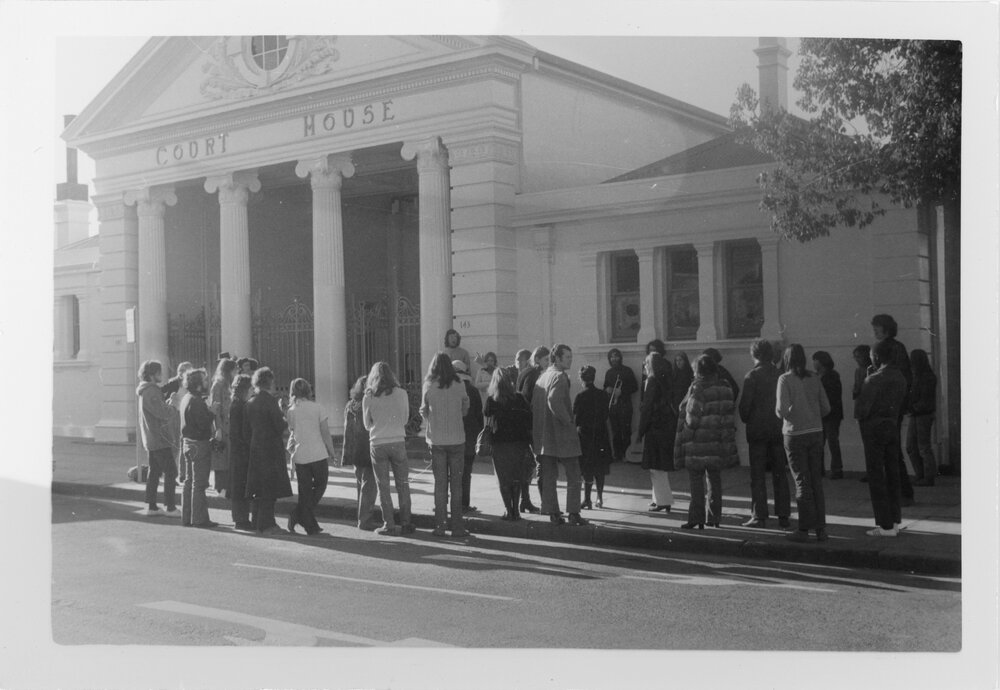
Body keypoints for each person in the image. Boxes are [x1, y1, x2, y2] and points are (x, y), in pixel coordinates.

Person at [675, 355, 738, 529]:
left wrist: (685, 436)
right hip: (717, 441)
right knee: (714, 479)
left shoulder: (698, 388)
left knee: (696, 480)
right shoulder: (725, 388)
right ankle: (714, 517)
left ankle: (696, 518)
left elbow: (692, 419)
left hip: (698, 442)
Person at [776, 344, 831, 542]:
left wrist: (791, 412)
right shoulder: (814, 378)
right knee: (816, 481)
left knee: (801, 481)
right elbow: (826, 407)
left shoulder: (784, 379)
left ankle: (804, 528)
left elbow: (781, 410)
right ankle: (821, 528)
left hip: (795, 433)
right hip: (816, 432)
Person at [856, 338, 909, 536]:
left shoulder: (874, 379)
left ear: (877, 357)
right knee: (893, 473)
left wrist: (865, 381)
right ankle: (894, 521)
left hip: (874, 428)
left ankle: (884, 524)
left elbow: (861, 409)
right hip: (892, 425)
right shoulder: (900, 377)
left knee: (876, 475)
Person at [532, 344, 588, 526]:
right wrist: (568, 420)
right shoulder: (560, 376)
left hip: (544, 435)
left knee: (549, 476)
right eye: (567, 357)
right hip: (562, 434)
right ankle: (573, 513)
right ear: (557, 358)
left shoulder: (542, 377)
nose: (571, 360)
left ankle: (553, 513)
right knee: (574, 474)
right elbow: (554, 400)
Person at [738, 339, 790, 528]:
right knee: (780, 474)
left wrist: (748, 417)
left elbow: (745, 408)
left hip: (758, 431)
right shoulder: (780, 374)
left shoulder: (752, 376)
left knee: (758, 475)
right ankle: (783, 515)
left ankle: (759, 515)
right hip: (777, 429)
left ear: (754, 354)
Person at [421, 354, 471, 537]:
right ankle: (457, 527)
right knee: (456, 485)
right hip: (457, 439)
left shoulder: (429, 385)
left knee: (440, 485)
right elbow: (465, 409)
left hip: (437, 440)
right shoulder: (459, 383)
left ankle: (440, 526)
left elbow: (423, 410)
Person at [363, 361, 415, 536]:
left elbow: (366, 424)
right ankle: (406, 523)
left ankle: (389, 524)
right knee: (403, 484)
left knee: (383, 486)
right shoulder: (401, 393)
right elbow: (405, 419)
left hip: (378, 442)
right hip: (397, 440)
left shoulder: (369, 396)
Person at [243, 367, 293, 536]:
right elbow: (279, 425)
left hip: (256, 447)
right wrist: (284, 416)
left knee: (259, 487)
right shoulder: (270, 401)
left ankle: (257, 521)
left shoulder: (250, 401)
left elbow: (246, 430)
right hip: (271, 448)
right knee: (269, 488)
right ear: (269, 382)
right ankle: (268, 524)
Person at [871, 313, 914, 505]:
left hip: (887, 408)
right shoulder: (898, 347)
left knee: (890, 452)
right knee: (892, 451)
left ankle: (901, 493)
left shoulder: (887, 348)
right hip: (896, 406)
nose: (874, 330)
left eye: (877, 327)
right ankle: (902, 492)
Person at [284, 378, 335, 536]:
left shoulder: (291, 411)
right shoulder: (318, 408)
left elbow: (292, 431)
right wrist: (332, 451)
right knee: (321, 485)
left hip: (301, 454)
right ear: (308, 390)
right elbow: (325, 433)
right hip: (318, 453)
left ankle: (305, 520)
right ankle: (301, 517)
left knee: (304, 491)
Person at [484, 368, 533, 520]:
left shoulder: (492, 400)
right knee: (516, 477)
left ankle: (508, 510)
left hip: (500, 443)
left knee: (503, 478)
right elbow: (529, 419)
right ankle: (516, 511)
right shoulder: (519, 398)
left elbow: (486, 415)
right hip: (518, 442)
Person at [135, 360, 180, 518]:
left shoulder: (145, 390)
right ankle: (170, 507)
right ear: (152, 374)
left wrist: (167, 404)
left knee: (154, 472)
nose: (162, 375)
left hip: (151, 438)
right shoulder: (151, 390)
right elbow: (161, 413)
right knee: (171, 472)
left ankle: (152, 506)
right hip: (160, 438)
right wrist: (173, 406)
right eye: (159, 372)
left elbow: (156, 410)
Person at [636, 353, 675, 512]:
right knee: (660, 466)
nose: (645, 366)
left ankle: (662, 501)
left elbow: (647, 408)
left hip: (655, 427)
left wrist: (640, 431)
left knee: (655, 467)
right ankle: (658, 498)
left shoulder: (651, 381)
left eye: (646, 363)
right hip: (665, 426)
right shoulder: (664, 380)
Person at [180, 368, 217, 528]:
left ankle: (187, 517)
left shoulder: (186, 398)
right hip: (199, 444)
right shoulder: (197, 401)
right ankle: (199, 519)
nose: (207, 382)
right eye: (205, 379)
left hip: (187, 443)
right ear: (198, 384)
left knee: (189, 481)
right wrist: (212, 412)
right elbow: (203, 424)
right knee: (199, 484)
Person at [515, 345, 550, 512]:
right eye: (546, 360)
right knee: (539, 462)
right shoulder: (534, 373)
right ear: (537, 359)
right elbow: (527, 397)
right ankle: (544, 503)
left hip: (522, 424)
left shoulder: (524, 372)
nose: (548, 363)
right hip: (531, 424)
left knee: (526, 464)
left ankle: (525, 500)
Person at [574, 365, 613, 510]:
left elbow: (576, 420)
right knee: (600, 469)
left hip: (585, 436)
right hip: (601, 435)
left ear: (581, 379)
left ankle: (587, 499)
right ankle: (600, 498)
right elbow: (606, 416)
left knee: (587, 469)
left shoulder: (580, 396)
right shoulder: (603, 395)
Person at [344, 376, 380, 530]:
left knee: (361, 485)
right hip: (368, 447)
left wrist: (347, 452)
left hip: (355, 449)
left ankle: (361, 517)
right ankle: (365, 520)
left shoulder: (350, 405)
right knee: (369, 486)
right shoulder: (369, 403)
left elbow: (347, 430)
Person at [454, 360, 484, 514]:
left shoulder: (450, 388)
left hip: (453, 436)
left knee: (452, 473)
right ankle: (464, 503)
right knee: (466, 473)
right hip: (470, 437)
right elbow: (479, 415)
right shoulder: (472, 390)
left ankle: (452, 503)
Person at [907, 349, 938, 486]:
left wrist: (912, 406)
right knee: (917, 446)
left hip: (922, 413)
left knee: (919, 446)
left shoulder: (923, 377)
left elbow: (924, 398)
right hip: (921, 413)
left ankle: (925, 476)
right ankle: (924, 475)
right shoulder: (925, 375)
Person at [602, 348, 639, 462]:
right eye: (611, 357)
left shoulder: (627, 370)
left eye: (616, 356)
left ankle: (627, 455)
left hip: (625, 405)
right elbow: (605, 387)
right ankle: (617, 455)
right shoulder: (609, 372)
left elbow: (635, 387)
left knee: (626, 430)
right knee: (615, 431)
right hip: (613, 407)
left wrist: (622, 391)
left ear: (620, 357)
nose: (614, 359)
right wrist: (607, 389)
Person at [812, 350, 844, 479]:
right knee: (822, 442)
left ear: (820, 361)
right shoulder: (821, 376)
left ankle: (835, 469)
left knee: (831, 441)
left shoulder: (831, 376)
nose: (813, 363)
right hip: (825, 413)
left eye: (815, 360)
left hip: (830, 414)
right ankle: (823, 468)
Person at [228, 374, 254, 530]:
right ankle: (241, 519)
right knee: (240, 485)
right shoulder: (240, 406)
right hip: (241, 451)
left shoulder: (236, 404)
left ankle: (241, 518)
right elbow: (242, 432)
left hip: (238, 451)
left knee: (239, 485)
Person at [208, 358, 237, 497]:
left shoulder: (228, 385)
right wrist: (218, 428)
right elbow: (216, 409)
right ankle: (220, 487)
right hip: (222, 428)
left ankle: (226, 486)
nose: (236, 373)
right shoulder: (218, 385)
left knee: (227, 458)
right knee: (221, 458)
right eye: (234, 370)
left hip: (229, 427)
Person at [164, 361, 193, 484]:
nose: (181, 372)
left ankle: (183, 474)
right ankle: (171, 475)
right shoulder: (173, 383)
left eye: (184, 370)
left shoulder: (191, 383)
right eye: (180, 370)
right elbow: (161, 393)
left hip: (187, 416)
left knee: (185, 445)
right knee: (175, 445)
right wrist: (169, 403)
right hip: (175, 415)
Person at [852, 344, 874, 483]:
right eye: (855, 357)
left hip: (869, 410)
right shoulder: (858, 370)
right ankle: (870, 471)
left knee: (872, 444)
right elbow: (856, 388)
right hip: (861, 409)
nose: (856, 359)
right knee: (867, 444)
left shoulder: (871, 370)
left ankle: (874, 471)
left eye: (858, 356)